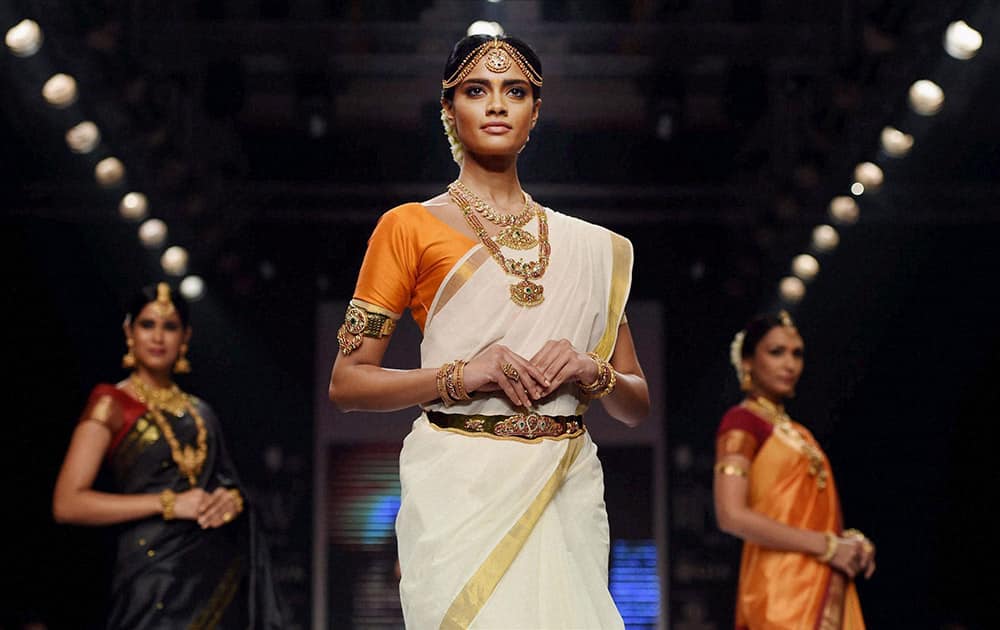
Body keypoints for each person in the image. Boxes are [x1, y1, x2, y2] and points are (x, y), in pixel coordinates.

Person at [328, 33, 650, 628]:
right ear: (449, 111)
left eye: (515, 91)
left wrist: (591, 370)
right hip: (460, 494)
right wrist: (460, 375)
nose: (497, 105)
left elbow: (635, 404)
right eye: (477, 91)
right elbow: (347, 385)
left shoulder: (590, 248)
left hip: (564, 490)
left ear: (535, 113)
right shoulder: (408, 228)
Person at [52, 283, 285, 629]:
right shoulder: (112, 403)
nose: (158, 337)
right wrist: (170, 504)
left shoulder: (201, 412)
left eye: (170, 326)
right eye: (147, 325)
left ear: (186, 336)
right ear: (129, 332)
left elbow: (226, 481)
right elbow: (68, 503)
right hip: (150, 575)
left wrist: (231, 500)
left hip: (215, 577)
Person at [713, 311, 875, 629]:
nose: (790, 364)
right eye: (776, 352)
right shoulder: (742, 422)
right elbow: (731, 515)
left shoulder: (801, 435)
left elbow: (804, 513)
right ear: (747, 361)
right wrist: (829, 546)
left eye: (796, 354)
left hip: (822, 581)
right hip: (779, 593)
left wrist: (849, 542)